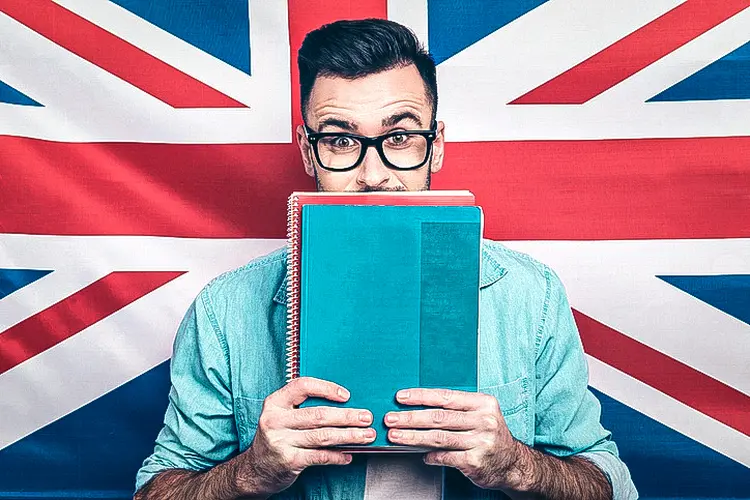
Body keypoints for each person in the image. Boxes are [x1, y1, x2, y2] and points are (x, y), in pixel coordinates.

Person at [134, 19, 638, 500]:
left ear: (435, 146)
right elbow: (153, 490)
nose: (373, 174)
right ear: (308, 152)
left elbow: (612, 485)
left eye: (400, 137)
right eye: (339, 139)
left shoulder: (531, 295)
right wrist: (250, 471)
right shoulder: (226, 310)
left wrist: (516, 465)